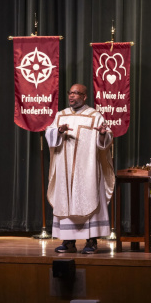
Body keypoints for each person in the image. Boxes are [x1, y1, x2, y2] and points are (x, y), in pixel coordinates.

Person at [46, 83, 114, 254]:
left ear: (85, 97)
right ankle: (68, 241)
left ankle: (91, 241)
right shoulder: (61, 115)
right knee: (66, 200)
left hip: (88, 169)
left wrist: (103, 134)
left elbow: (106, 139)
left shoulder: (95, 116)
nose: (72, 96)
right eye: (70, 93)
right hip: (64, 169)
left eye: (76, 93)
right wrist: (58, 132)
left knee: (88, 196)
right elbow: (50, 134)